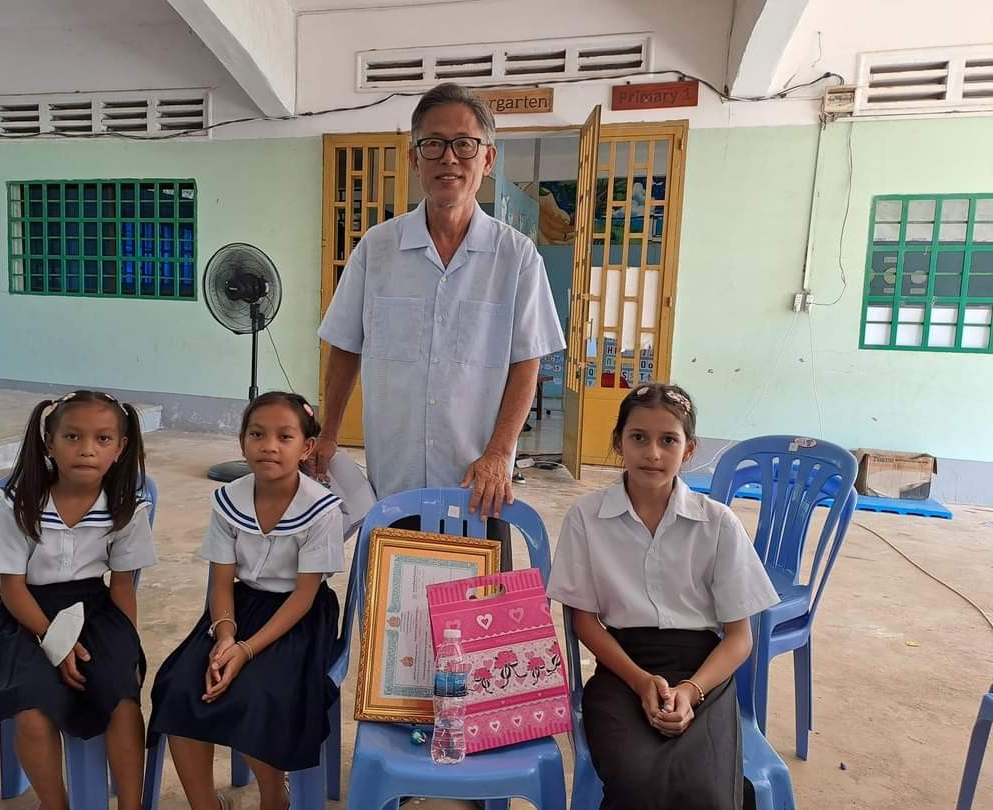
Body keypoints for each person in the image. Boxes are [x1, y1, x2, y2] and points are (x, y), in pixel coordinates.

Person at [315, 82, 566, 537]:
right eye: (432, 144)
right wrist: (328, 432)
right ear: (414, 159)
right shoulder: (377, 249)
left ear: (487, 159)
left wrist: (499, 454)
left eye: (464, 144)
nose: (449, 158)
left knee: (481, 588)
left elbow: (525, 363)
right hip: (392, 486)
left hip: (479, 488)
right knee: (386, 585)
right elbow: (346, 345)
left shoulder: (517, 257)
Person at [546, 383, 779, 809]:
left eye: (668, 440)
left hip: (703, 674)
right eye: (639, 437)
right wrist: (640, 681)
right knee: (636, 779)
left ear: (689, 449)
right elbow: (584, 622)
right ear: (618, 441)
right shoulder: (587, 517)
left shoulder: (717, 523)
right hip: (621, 671)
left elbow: (739, 637)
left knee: (705, 792)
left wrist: (689, 691)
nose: (652, 453)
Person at [0, 390, 156, 810]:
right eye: (73, 437)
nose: (87, 450)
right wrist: (55, 642)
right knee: (32, 707)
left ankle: (131, 806)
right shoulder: (16, 506)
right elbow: (13, 588)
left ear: (120, 447)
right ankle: (55, 805)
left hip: (97, 613)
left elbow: (121, 588)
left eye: (102, 439)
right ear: (49, 443)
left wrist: (125, 650)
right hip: (25, 618)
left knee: (122, 697)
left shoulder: (126, 510)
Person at [147, 391, 343, 810]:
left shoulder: (321, 510)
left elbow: (304, 596)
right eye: (257, 434)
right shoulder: (228, 501)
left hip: (300, 618)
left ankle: (274, 797)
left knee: (257, 695)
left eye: (284, 437)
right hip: (237, 609)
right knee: (178, 687)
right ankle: (206, 805)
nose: (269, 446)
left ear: (306, 447)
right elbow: (220, 581)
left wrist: (246, 650)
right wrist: (225, 638)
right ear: (242, 442)